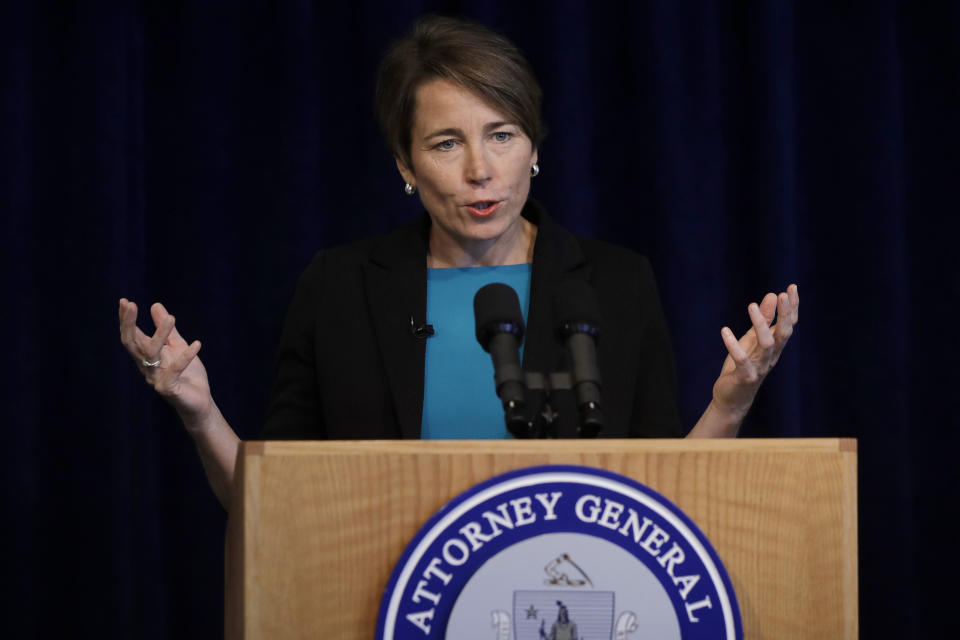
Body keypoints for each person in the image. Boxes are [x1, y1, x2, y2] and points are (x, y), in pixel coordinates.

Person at [118, 16, 799, 510]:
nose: (481, 170)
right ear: (405, 166)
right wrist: (200, 413)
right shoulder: (341, 287)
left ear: (534, 149)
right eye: (447, 143)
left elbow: (657, 502)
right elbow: (273, 508)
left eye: (502, 136)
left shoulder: (617, 283)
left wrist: (728, 405)